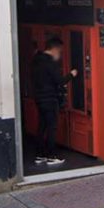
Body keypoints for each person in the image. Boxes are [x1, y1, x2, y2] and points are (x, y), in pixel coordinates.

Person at [32, 37, 78, 166]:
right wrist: (71, 74)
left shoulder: (36, 61)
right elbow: (60, 81)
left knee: (42, 126)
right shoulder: (50, 63)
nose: (60, 54)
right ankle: (51, 155)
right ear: (55, 49)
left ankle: (40, 154)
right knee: (52, 127)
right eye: (60, 51)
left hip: (39, 98)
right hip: (50, 98)